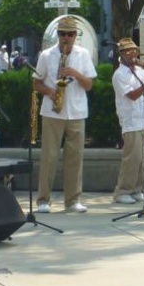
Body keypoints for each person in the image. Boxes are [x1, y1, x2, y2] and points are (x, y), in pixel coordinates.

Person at [32, 16, 97, 213]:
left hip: (76, 111)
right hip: (52, 112)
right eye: (62, 34)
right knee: (49, 158)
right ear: (57, 35)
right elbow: (36, 82)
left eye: (70, 34)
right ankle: (43, 200)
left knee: (75, 158)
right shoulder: (46, 55)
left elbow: (89, 85)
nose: (65, 38)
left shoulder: (83, 54)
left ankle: (73, 200)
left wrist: (75, 73)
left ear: (76, 36)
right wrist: (50, 92)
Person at [111, 38, 144, 204]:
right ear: (121, 55)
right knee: (132, 158)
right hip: (131, 119)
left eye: (134, 51)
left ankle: (138, 189)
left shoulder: (141, 70)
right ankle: (122, 191)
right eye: (128, 51)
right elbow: (132, 95)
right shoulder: (119, 75)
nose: (133, 54)